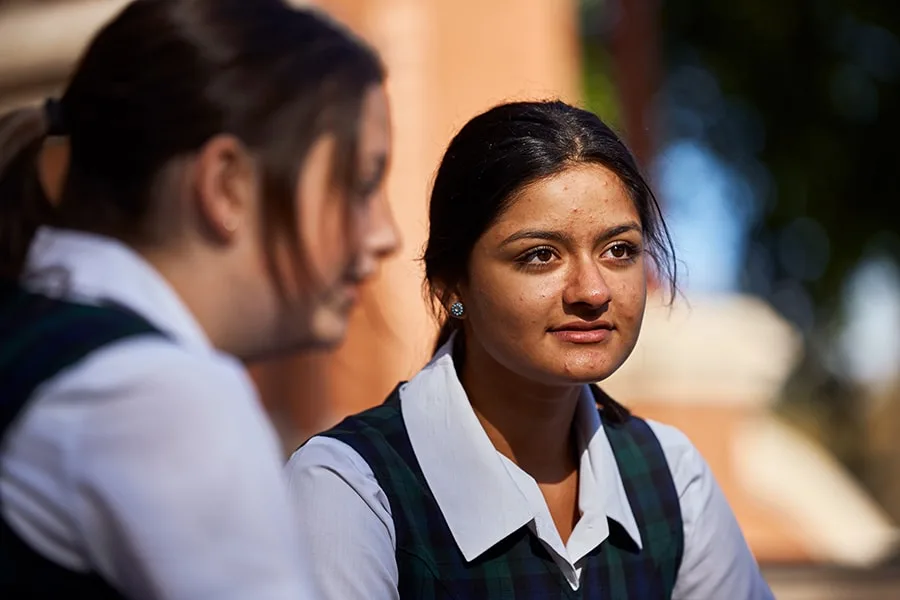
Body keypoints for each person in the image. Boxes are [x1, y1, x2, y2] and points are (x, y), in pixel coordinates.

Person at [286, 100, 775, 599]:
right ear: (452, 287)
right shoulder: (352, 490)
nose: (592, 290)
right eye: (540, 255)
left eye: (619, 250)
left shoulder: (669, 479)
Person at [0, 0, 399, 598]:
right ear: (227, 185)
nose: (385, 234)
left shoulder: (41, 324)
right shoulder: (157, 393)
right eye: (360, 185)